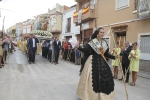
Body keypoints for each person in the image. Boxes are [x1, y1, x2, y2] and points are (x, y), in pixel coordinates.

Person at [76, 27, 118, 100]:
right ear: (97, 33)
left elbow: (106, 54)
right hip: (93, 61)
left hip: (102, 61)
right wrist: (78, 47)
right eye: (101, 32)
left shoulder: (104, 42)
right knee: (94, 78)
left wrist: (114, 57)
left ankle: (105, 95)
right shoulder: (93, 41)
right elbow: (86, 50)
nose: (102, 34)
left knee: (105, 77)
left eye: (103, 32)